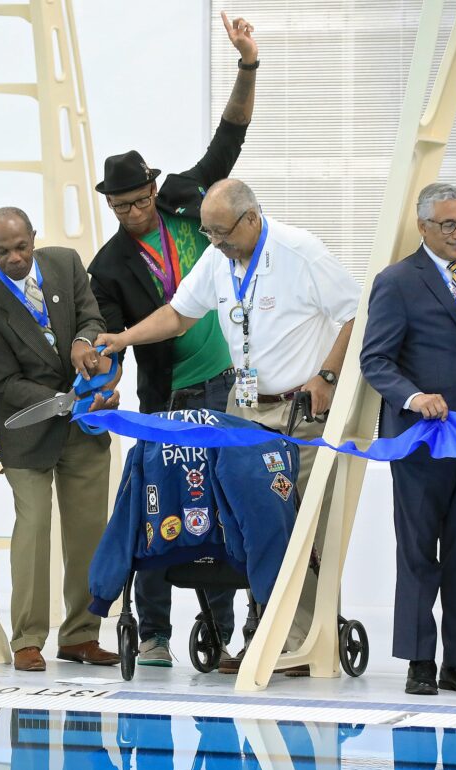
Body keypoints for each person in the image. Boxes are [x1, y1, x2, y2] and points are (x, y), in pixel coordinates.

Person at [96, 178, 360, 672]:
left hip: (298, 412)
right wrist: (121, 339)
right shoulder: (222, 256)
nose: (213, 243)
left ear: (252, 218)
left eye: (221, 233)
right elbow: (178, 315)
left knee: (296, 525)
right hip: (244, 410)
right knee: (246, 522)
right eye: (208, 233)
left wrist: (327, 375)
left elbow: (356, 315)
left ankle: (295, 643)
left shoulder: (300, 252)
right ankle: (262, 631)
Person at [87, 11, 259, 670]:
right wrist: (102, 389)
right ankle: (153, 629)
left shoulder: (192, 202)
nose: (132, 213)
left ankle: (222, 632)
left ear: (154, 187)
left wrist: (247, 64)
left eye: (137, 200)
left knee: (222, 506)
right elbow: (113, 341)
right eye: (120, 206)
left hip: (229, 383)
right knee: (163, 506)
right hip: (169, 395)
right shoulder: (108, 266)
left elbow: (231, 137)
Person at [0, 206, 120, 672]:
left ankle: (81, 635)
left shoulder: (64, 263)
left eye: (21, 246)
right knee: (32, 533)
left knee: (89, 534)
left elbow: (91, 317)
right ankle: (27, 639)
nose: (14, 258)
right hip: (29, 434)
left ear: (34, 237)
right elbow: (5, 382)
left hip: (84, 431)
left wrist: (84, 342)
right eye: (1, 251)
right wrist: (66, 399)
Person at [360, 182, 456, 696]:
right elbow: (375, 359)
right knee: (418, 552)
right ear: (423, 227)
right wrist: (415, 398)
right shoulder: (397, 281)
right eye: (448, 225)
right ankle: (419, 660)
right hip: (422, 441)